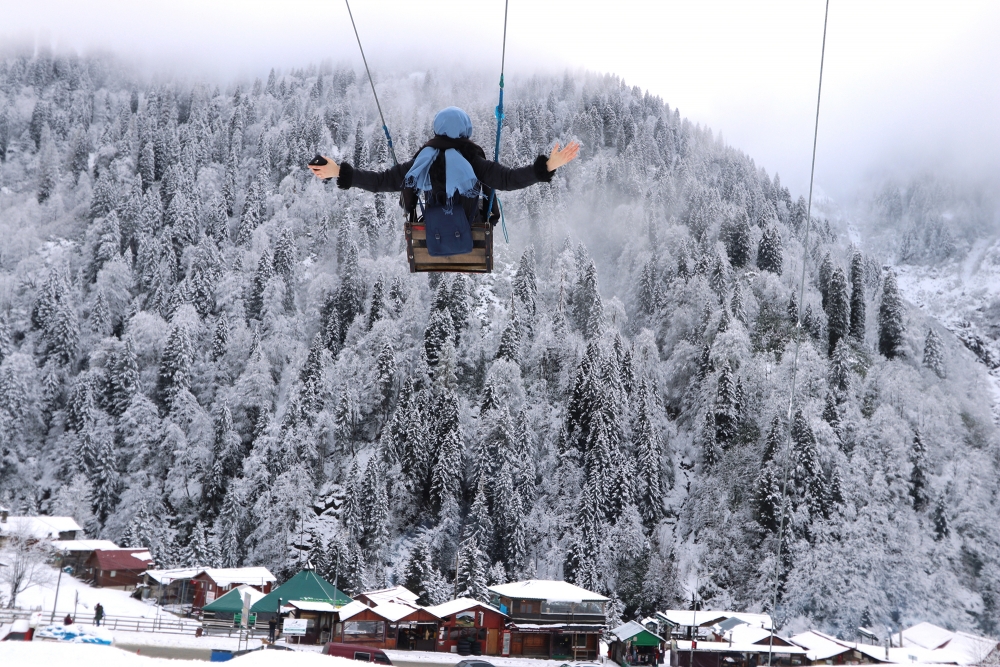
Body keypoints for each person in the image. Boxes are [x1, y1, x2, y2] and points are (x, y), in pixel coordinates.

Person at [308, 106, 579, 233]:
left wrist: (339, 172)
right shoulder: (473, 161)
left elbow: (381, 181)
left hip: (432, 228)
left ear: (437, 129)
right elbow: (508, 179)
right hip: (471, 228)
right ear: (465, 132)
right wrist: (546, 168)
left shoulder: (423, 162)